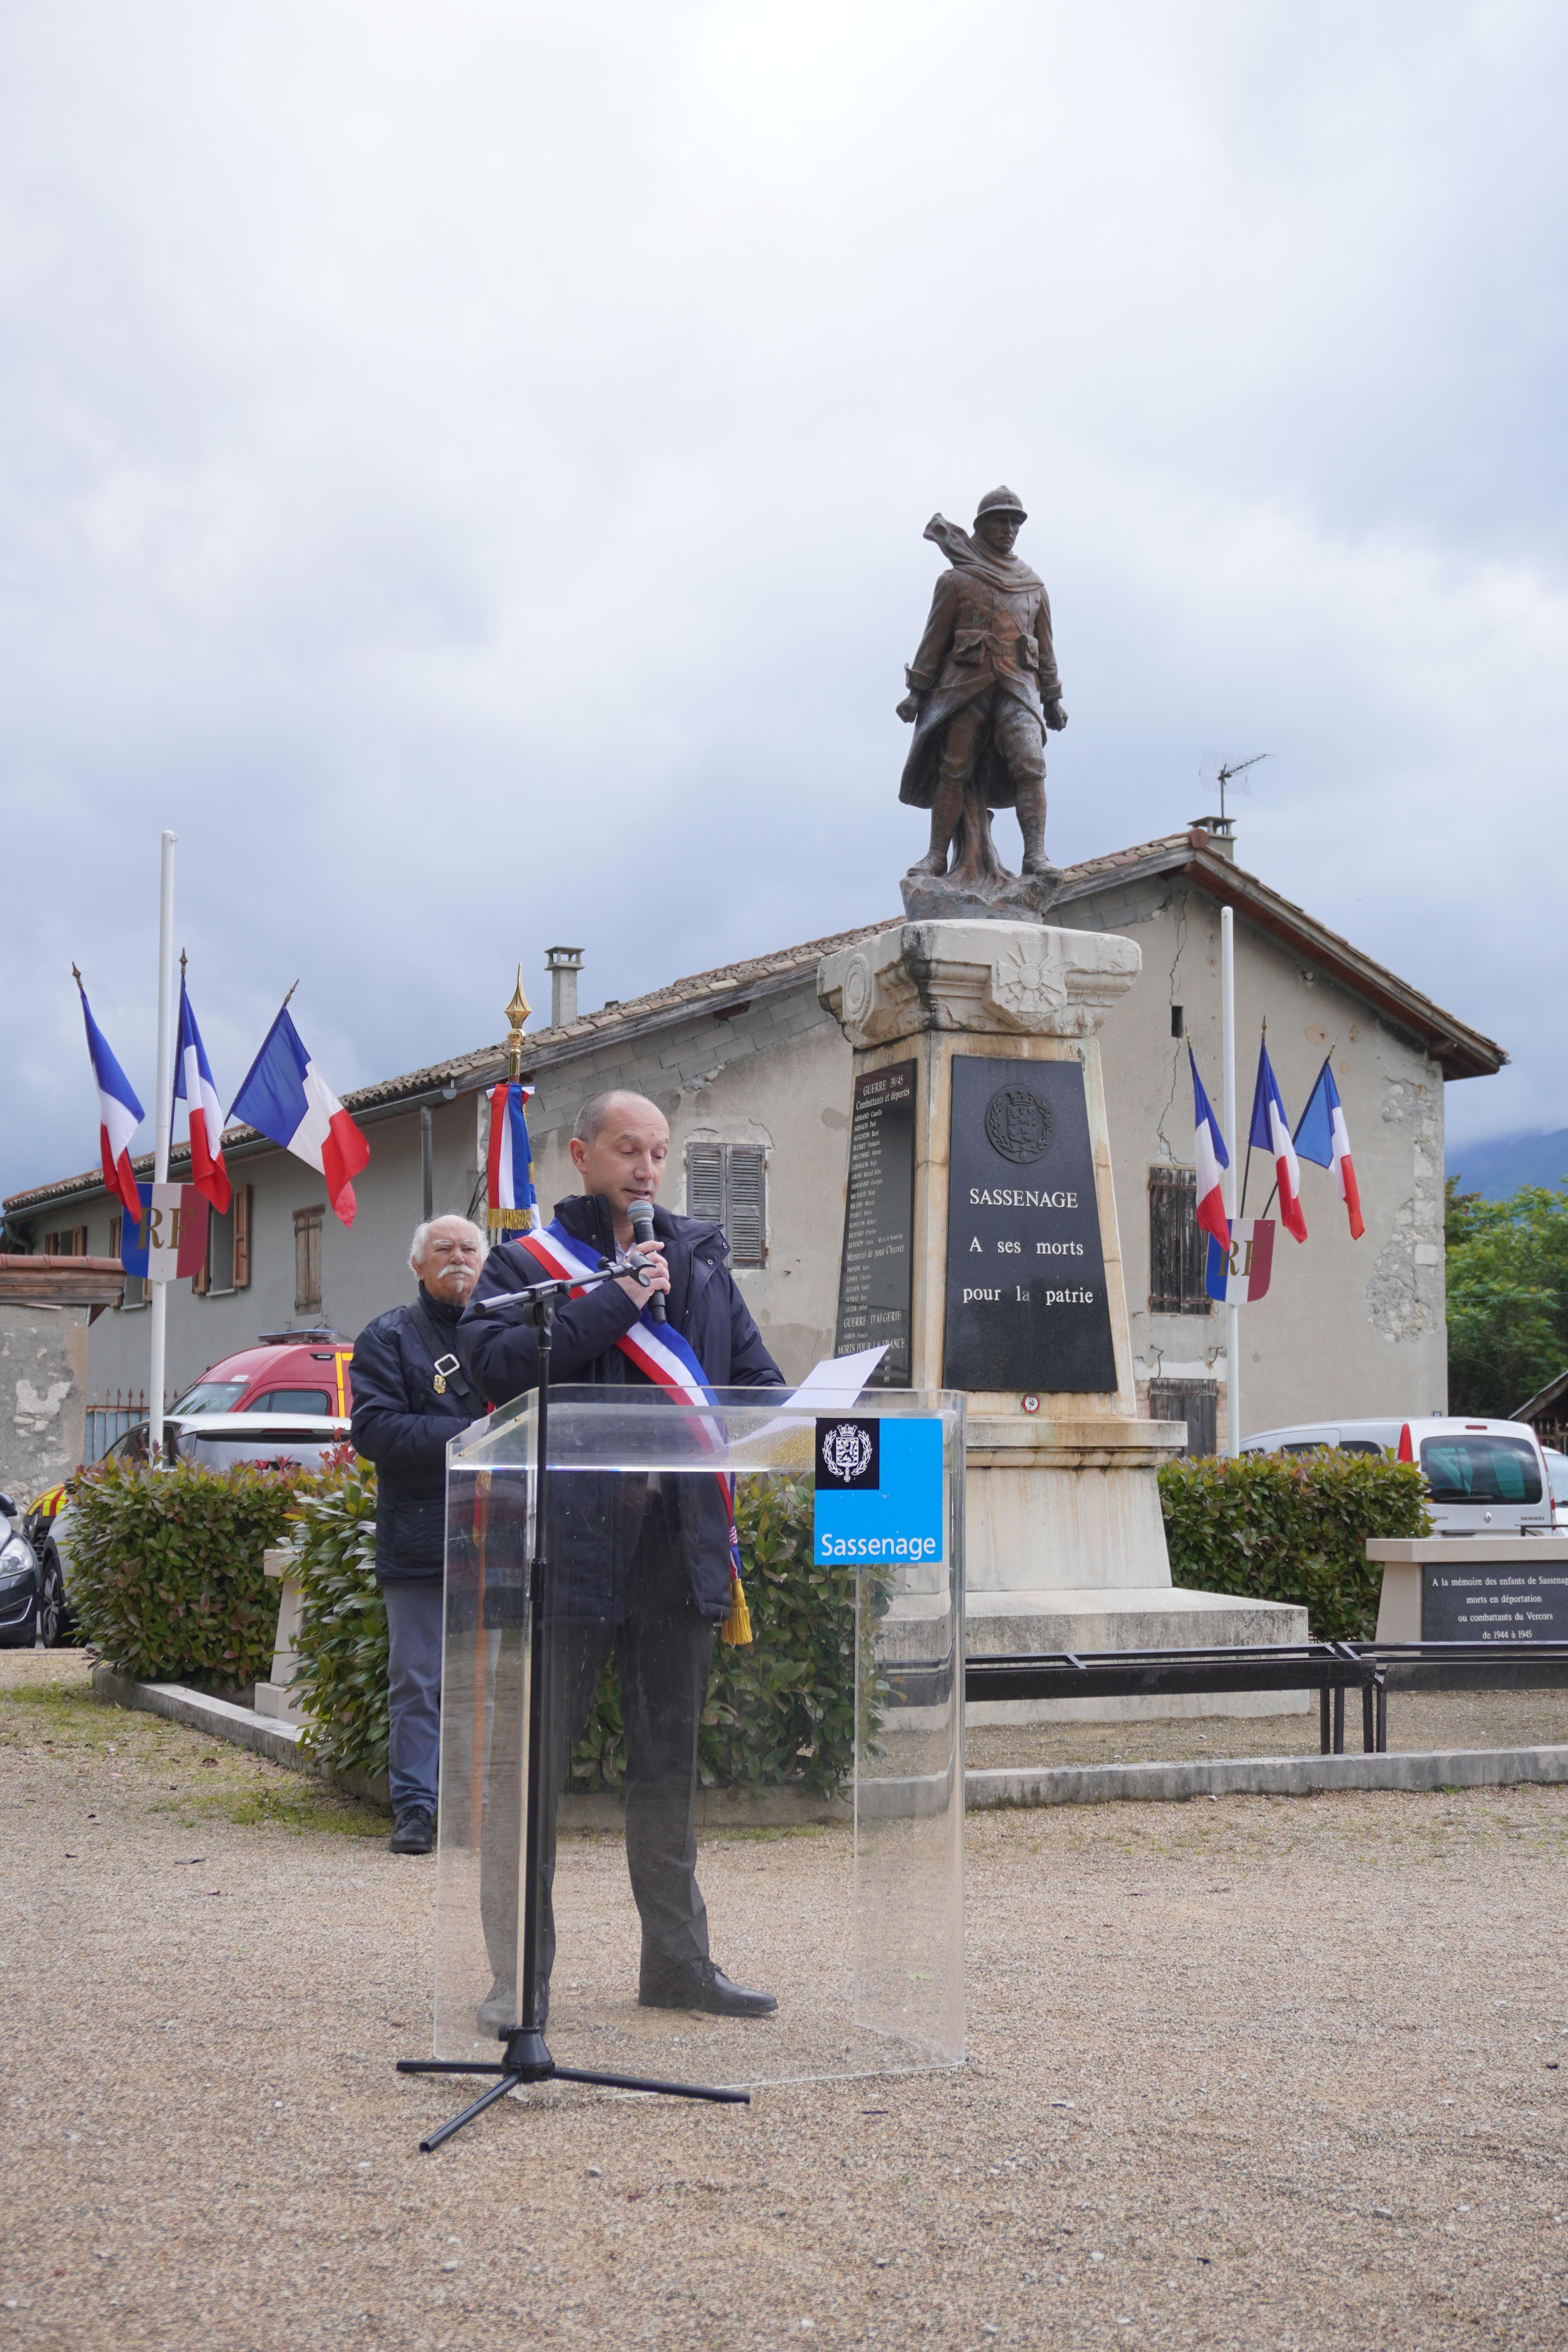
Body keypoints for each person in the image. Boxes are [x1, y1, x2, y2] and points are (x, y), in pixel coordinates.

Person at [461, 1088, 784, 2030]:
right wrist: (618, 1300)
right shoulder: (526, 1265)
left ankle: (677, 1966)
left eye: (658, 1152)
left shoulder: (702, 1260)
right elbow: (497, 1368)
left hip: (676, 1550)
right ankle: (518, 1979)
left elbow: (751, 1380)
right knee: (533, 1779)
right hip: (566, 1554)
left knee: (666, 1772)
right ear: (581, 1154)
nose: (646, 1169)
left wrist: (793, 1409)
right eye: (626, 1150)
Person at [349, 1214, 488, 1857]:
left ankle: (484, 1808)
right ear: (418, 1264)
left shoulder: (510, 1331)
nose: (458, 1258)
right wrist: (472, 1441)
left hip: (502, 1531)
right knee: (418, 1680)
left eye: (469, 1248)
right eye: (443, 1249)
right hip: (421, 1534)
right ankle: (414, 1808)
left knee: (495, 1679)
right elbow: (376, 1433)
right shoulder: (387, 1338)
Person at [897, 485, 1068, 887]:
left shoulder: (1033, 586)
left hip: (1017, 687)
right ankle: (937, 856)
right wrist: (915, 693)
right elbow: (933, 642)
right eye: (1001, 520)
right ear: (981, 526)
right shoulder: (956, 580)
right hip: (964, 686)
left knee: (1031, 764)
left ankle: (1036, 855)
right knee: (953, 768)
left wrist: (1053, 698)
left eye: (1015, 522)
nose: (1009, 529)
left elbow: (1045, 648)